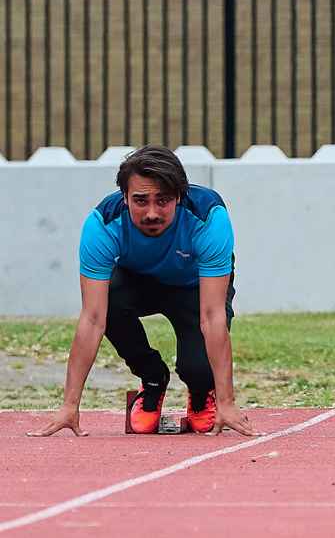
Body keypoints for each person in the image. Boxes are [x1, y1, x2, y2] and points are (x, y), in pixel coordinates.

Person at [30, 146, 256, 437]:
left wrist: (228, 402)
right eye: (140, 200)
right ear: (124, 198)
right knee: (107, 300)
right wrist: (69, 405)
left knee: (197, 369)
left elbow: (212, 317)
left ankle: (202, 393)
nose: (151, 212)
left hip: (193, 287)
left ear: (179, 196)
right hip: (138, 282)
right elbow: (92, 319)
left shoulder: (209, 218)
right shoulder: (102, 225)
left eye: (163, 201)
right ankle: (152, 379)